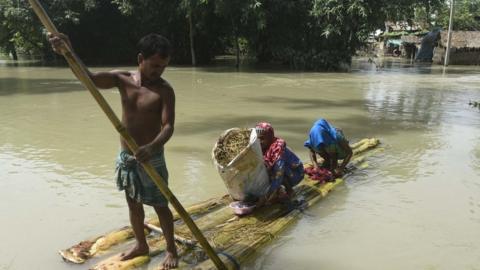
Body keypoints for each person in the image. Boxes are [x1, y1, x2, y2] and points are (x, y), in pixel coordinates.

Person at [49, 33, 178, 269]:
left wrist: (151, 147)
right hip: (127, 158)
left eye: (163, 67)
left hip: (151, 158)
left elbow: (168, 126)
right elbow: (89, 79)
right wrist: (68, 52)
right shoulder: (122, 79)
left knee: (160, 205)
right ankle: (141, 244)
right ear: (141, 59)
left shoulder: (164, 90)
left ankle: (171, 249)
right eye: (154, 65)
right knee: (133, 204)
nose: (159, 71)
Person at [255, 122, 304, 205]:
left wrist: (266, 196)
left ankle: (289, 191)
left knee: (277, 173)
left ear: (269, 137)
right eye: (258, 139)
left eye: (262, 139)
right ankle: (278, 190)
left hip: (295, 173)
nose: (260, 142)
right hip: (283, 171)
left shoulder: (278, 149)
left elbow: (279, 175)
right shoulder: (265, 147)